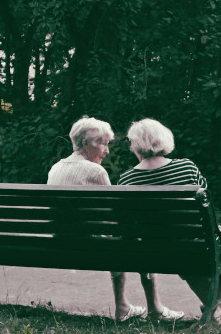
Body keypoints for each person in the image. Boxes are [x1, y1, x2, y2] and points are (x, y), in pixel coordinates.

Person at [47, 115, 184, 322]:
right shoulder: (95, 171)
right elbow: (117, 215)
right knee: (135, 237)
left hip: (59, 245)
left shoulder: (55, 167)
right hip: (94, 247)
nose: (107, 150)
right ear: (85, 143)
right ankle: (144, 308)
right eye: (103, 144)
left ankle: (125, 306)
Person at [117, 117, 221, 321]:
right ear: (163, 139)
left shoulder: (126, 180)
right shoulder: (186, 167)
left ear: (136, 145)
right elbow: (206, 203)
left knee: (186, 259)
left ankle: (213, 306)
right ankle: (216, 304)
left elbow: (126, 225)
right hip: (194, 244)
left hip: (153, 250)